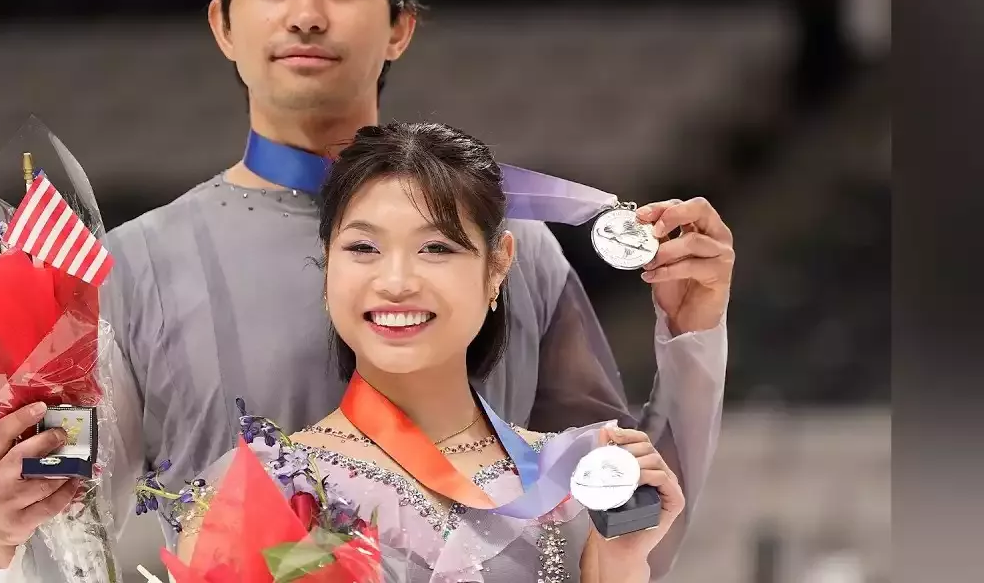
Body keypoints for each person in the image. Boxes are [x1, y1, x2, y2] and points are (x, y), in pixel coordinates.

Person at [0, 0, 732, 582]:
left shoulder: (519, 248)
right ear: (223, 24)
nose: (306, 14)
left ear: (400, 26)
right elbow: (69, 525)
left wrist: (693, 338)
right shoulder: (127, 269)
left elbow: (626, 524)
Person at [169, 122, 688, 583]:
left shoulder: (577, 480)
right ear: (328, 265)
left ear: (498, 266)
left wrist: (617, 568)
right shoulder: (265, 488)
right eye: (363, 248)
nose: (396, 282)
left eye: (436, 248)